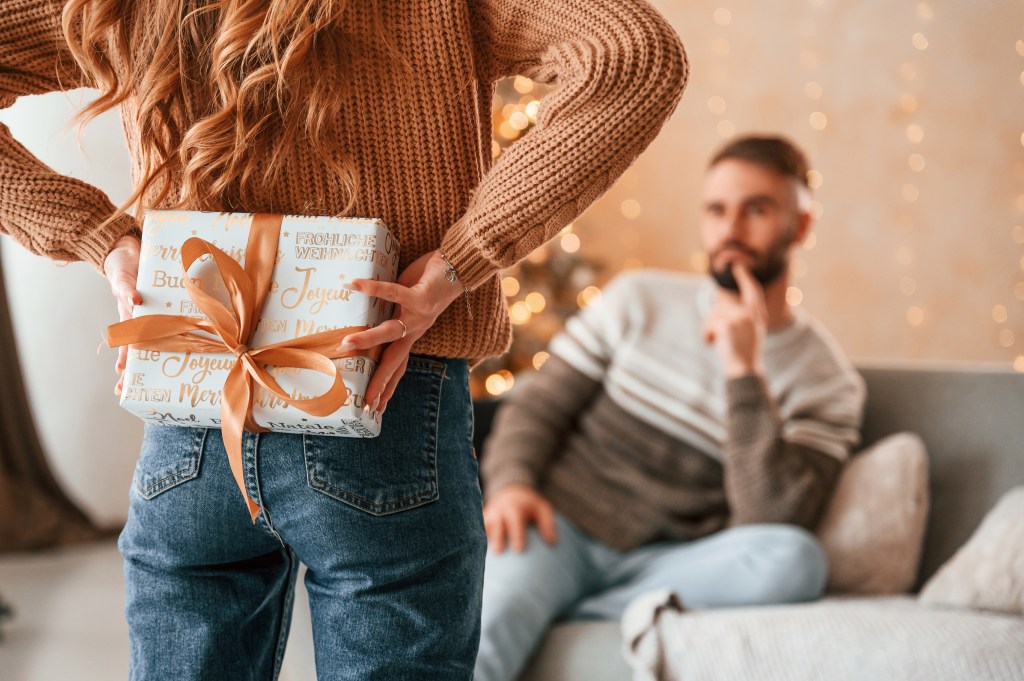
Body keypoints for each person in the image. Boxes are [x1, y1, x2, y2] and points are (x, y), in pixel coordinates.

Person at [0, 1, 687, 678]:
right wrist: (460, 259)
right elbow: (634, 53)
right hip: (381, 387)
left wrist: (103, 239)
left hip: (195, 402)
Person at [476, 135, 866, 681]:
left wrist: (744, 372)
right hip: (558, 530)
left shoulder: (827, 381)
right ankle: (564, 598)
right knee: (487, 629)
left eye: (757, 209)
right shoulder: (638, 299)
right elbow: (538, 407)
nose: (731, 229)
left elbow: (769, 520)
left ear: (800, 226)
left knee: (796, 561)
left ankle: (569, 605)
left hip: (673, 562)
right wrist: (513, 484)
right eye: (717, 210)